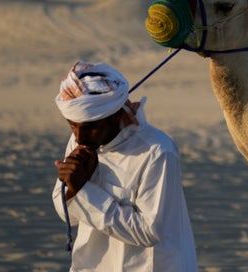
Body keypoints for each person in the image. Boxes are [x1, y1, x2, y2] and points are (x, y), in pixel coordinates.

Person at [52, 61, 198, 271]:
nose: (79, 135)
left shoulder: (157, 151)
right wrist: (71, 189)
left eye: (91, 127)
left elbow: (149, 231)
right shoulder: (80, 141)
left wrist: (83, 190)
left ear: (116, 116)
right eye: (72, 125)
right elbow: (69, 215)